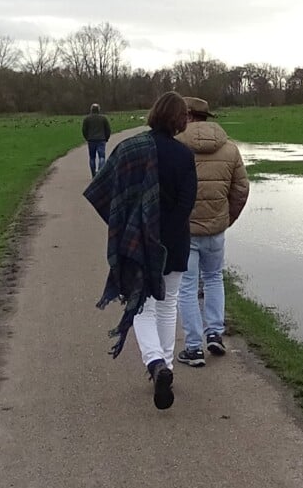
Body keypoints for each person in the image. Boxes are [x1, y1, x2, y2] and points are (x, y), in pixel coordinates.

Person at [83, 91, 196, 410]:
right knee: (167, 303)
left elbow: (103, 192)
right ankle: (168, 368)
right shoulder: (184, 156)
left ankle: (155, 364)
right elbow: (187, 204)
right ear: (179, 119)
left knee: (142, 306)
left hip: (138, 243)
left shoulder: (129, 149)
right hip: (174, 244)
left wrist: (127, 226)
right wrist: (165, 236)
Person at [175, 97, 249, 367]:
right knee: (214, 278)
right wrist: (227, 218)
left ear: (189, 116)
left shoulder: (177, 146)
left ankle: (193, 348)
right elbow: (241, 189)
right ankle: (215, 333)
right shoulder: (230, 149)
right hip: (216, 228)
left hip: (185, 230)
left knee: (187, 286)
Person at [82, 103, 112, 177]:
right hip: (101, 139)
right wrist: (106, 138)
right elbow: (108, 129)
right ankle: (100, 172)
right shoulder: (103, 118)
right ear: (99, 110)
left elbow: (84, 130)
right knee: (102, 157)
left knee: (92, 157)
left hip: (91, 140)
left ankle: (93, 174)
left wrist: (87, 137)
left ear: (91, 110)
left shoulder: (87, 119)